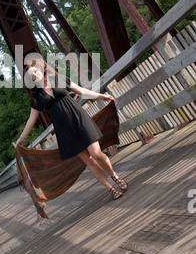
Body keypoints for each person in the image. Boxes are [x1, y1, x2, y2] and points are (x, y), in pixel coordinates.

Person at [14, 59, 128, 199]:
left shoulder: (58, 79)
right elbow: (31, 120)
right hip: (65, 131)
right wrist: (22, 138)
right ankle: (110, 189)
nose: (34, 76)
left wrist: (101, 96)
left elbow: (81, 90)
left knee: (96, 153)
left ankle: (114, 176)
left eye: (35, 72)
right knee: (89, 161)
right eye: (31, 76)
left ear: (41, 70)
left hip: (79, 120)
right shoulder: (36, 98)